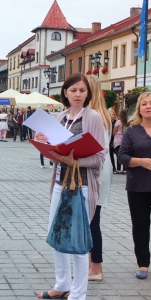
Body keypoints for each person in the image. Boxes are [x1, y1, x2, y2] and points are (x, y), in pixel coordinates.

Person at [35, 73, 105, 300]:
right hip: (59, 183)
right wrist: (43, 144)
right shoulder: (62, 117)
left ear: (88, 94)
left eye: (82, 91)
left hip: (82, 186)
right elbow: (57, 154)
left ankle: (78, 293)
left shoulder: (92, 117)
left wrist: (75, 162)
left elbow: (99, 158)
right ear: (65, 92)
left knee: (77, 240)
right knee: (55, 233)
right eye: (73, 90)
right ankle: (63, 283)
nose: (78, 94)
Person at [118, 91, 151, 280]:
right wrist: (141, 162)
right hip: (137, 186)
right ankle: (143, 263)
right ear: (139, 109)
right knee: (140, 225)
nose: (148, 106)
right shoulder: (131, 131)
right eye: (144, 103)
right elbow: (122, 156)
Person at [87, 75, 113, 282]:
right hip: (98, 169)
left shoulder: (95, 115)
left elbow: (98, 148)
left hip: (96, 171)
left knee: (92, 220)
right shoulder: (100, 114)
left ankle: (96, 267)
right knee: (91, 219)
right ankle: (92, 264)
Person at [113, 109, 128, 174]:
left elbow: (114, 131)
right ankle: (124, 169)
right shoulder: (127, 122)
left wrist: (114, 136)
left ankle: (118, 169)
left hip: (118, 141)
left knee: (118, 155)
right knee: (124, 154)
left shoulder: (118, 122)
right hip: (125, 140)